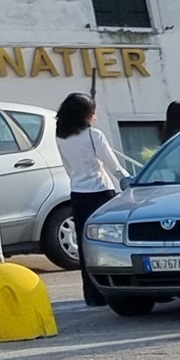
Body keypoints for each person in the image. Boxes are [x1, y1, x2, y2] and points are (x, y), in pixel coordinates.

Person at [55, 91, 131, 307]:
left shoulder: (60, 136)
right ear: (84, 115)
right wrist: (125, 180)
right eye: (92, 113)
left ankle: (92, 294)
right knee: (109, 242)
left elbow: (68, 167)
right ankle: (113, 289)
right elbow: (112, 164)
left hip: (78, 193)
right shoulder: (94, 135)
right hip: (101, 192)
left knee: (85, 243)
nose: (95, 117)